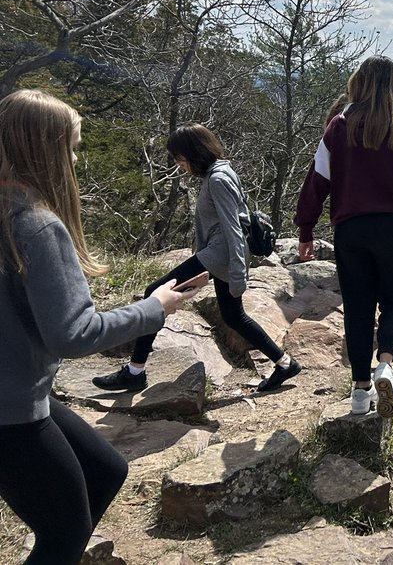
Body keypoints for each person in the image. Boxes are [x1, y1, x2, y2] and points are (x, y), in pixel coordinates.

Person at [0, 90, 201, 563]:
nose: (73, 158)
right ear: (44, 150)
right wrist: (156, 307)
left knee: (105, 469)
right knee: (65, 532)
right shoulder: (36, 226)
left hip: (20, 391)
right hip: (11, 410)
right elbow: (74, 333)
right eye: (70, 146)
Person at [94, 123, 302, 394]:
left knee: (153, 293)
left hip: (218, 256)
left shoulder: (218, 179)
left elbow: (234, 228)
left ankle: (135, 371)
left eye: (180, 158)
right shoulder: (219, 172)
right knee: (234, 317)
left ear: (194, 153)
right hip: (218, 256)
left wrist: (239, 274)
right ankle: (285, 364)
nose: (179, 164)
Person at [295, 55, 393, 417]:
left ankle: (360, 391)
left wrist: (305, 228)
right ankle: (385, 363)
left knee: (357, 308)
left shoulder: (338, 128)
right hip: (392, 230)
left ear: (359, 83)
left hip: (350, 230)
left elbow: (317, 181)